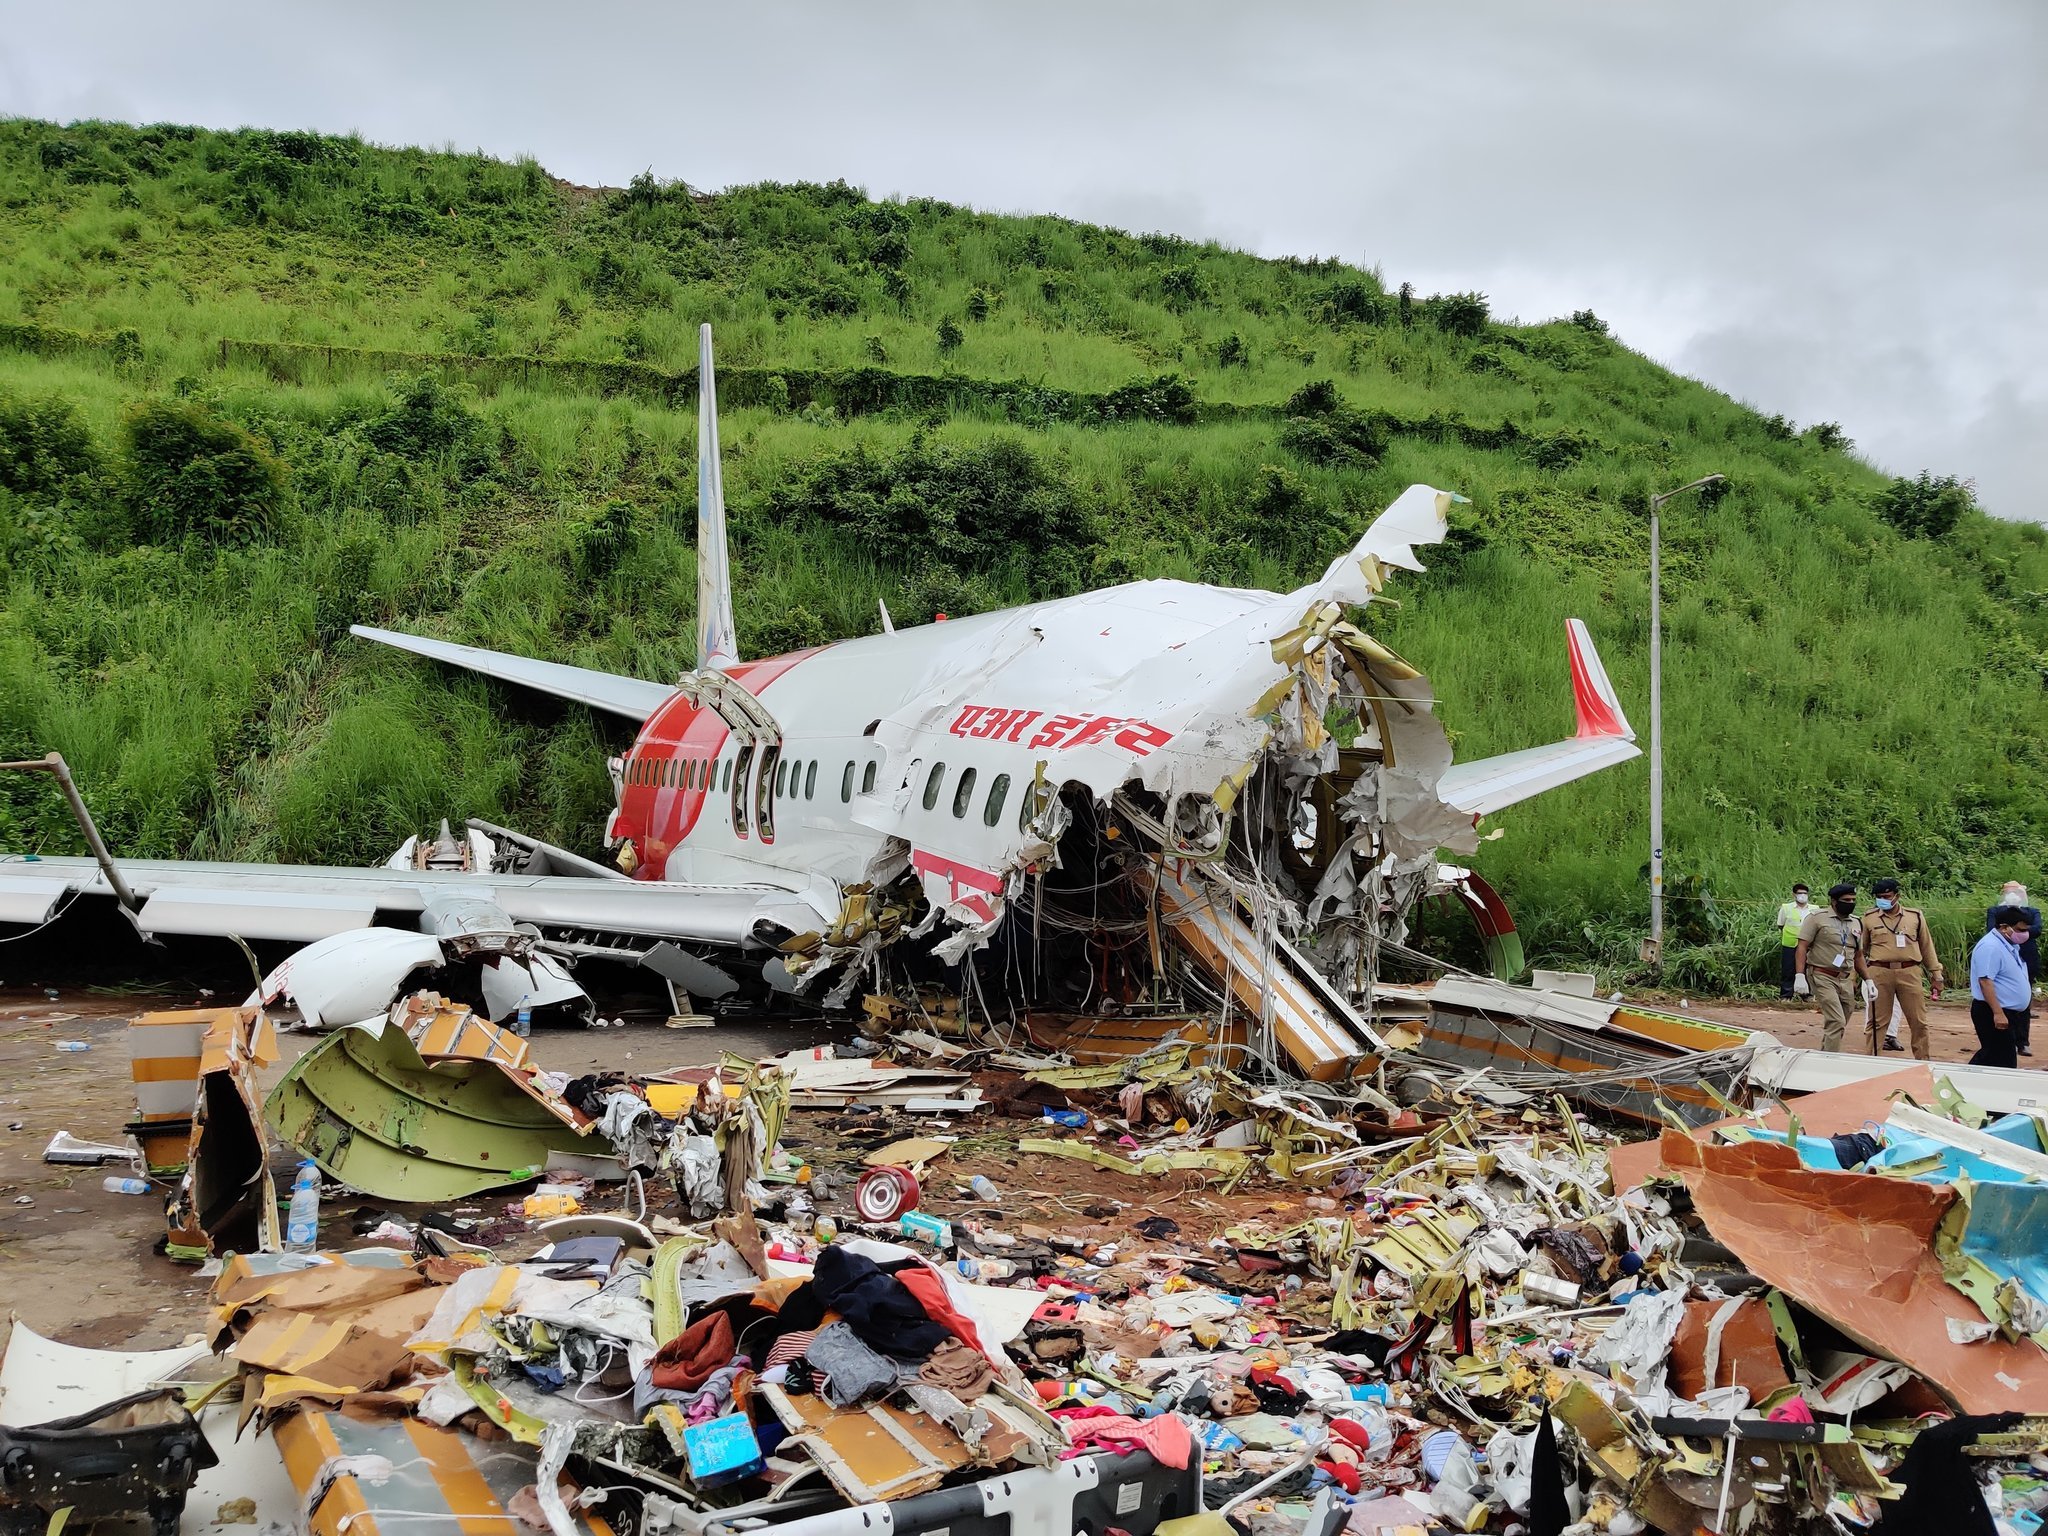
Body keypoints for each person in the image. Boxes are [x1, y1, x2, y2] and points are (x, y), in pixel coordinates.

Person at [1859, 877, 1942, 1060]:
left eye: (1887, 896)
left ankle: (1923, 1061)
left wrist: (1936, 974)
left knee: (1919, 1021)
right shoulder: (1869, 919)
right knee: (1877, 1021)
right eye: (1879, 897)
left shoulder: (1915, 917)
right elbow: (1860, 951)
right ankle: (1872, 1060)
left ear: (1897, 896)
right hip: (1879, 972)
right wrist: (1855, 977)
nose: (1883, 900)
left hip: (1910, 971)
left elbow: (1927, 947)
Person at [1793, 882, 1866, 1052]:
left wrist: (1868, 980)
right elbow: (1802, 946)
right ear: (1834, 901)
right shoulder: (1817, 918)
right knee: (1836, 1020)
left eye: (1853, 899)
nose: (1851, 903)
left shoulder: (1856, 922)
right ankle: (1830, 1059)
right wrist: (1799, 975)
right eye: (1846, 899)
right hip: (1821, 974)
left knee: (1844, 1015)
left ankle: (1825, 1052)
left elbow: (1859, 954)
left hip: (1845, 977)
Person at [1967, 906, 2035, 1070]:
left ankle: (1965, 1081)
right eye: (2020, 929)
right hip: (1993, 1010)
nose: (2024, 934)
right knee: (2000, 1058)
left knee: (1996, 1056)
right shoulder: (1990, 947)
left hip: (2007, 1012)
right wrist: (1998, 1013)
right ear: (2004, 927)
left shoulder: (2008, 944)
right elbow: (1985, 981)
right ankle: (1962, 1080)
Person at [1986, 882, 2042, 1057]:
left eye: (2016, 892)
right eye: (2008, 892)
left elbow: (2037, 929)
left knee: (2023, 1002)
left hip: (2026, 958)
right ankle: (2002, 1038)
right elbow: (1991, 929)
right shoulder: (1995, 911)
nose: (2012, 895)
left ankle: (2023, 1042)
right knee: (2001, 1000)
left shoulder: (2031, 911)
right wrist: (2021, 928)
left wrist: (2016, 930)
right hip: (2003, 961)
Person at [1773, 884, 1812, 998]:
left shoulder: (1814, 909)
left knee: (1808, 970)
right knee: (1788, 970)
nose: (1802, 896)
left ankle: (1807, 995)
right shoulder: (1786, 908)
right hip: (1790, 944)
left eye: (1805, 893)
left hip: (1809, 944)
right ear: (1794, 894)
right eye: (1800, 893)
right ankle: (1786, 995)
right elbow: (1781, 925)